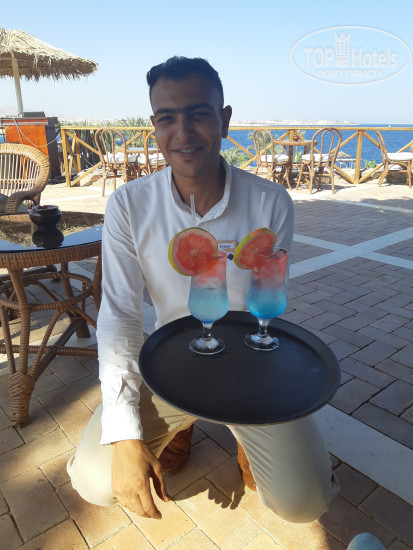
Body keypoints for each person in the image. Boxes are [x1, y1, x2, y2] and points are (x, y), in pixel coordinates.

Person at [67, 56, 339, 522]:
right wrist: (125, 433)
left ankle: (244, 434)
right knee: (95, 478)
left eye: (198, 114)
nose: (183, 132)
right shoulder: (130, 205)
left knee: (304, 502)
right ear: (155, 127)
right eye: (167, 118)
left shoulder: (270, 202)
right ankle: (182, 424)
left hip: (252, 369)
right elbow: (120, 315)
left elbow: (267, 303)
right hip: (168, 366)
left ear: (224, 120)